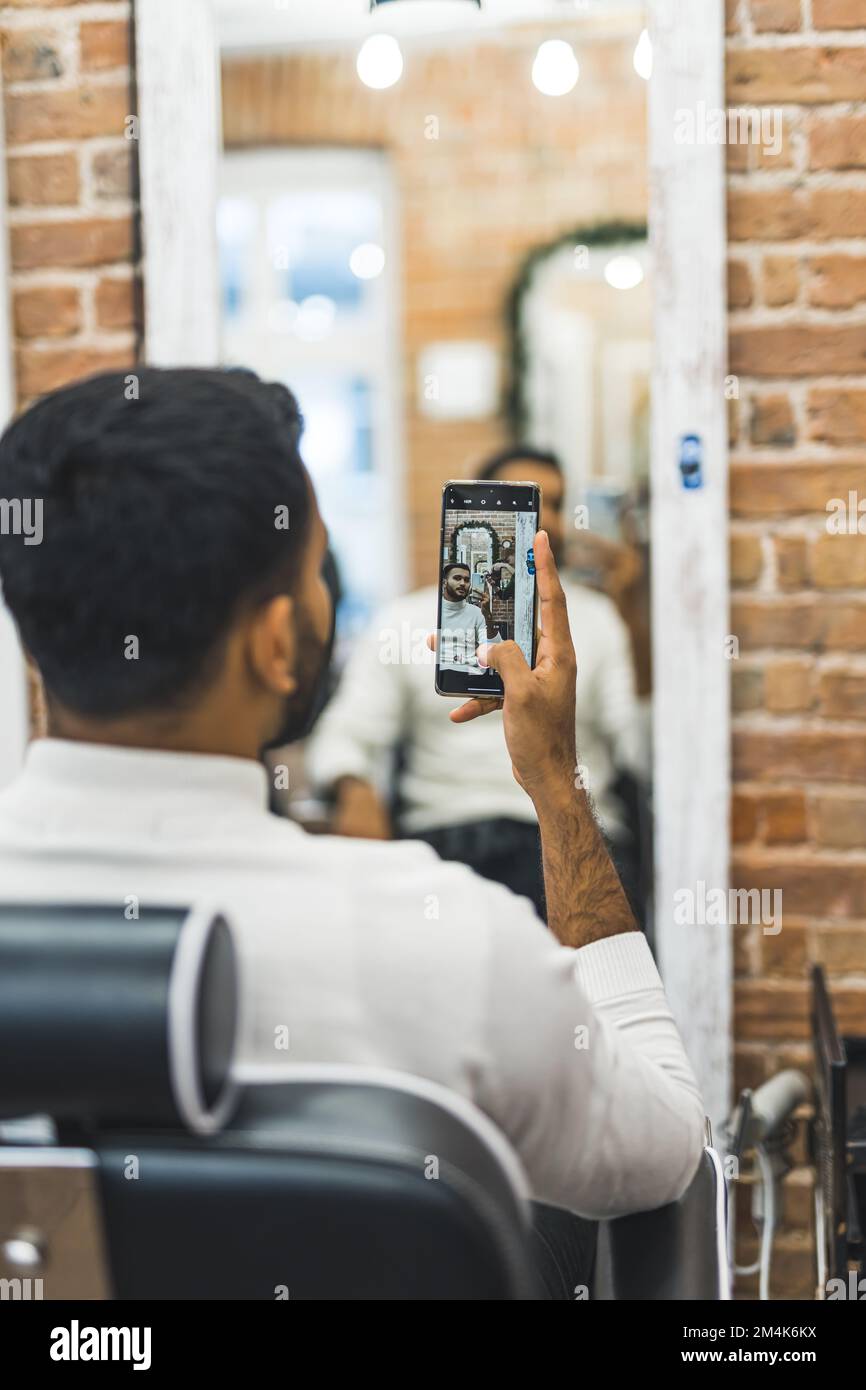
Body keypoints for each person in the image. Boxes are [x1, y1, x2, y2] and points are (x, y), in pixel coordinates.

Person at [0, 370, 702, 1297]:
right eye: (317, 567)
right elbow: (664, 1153)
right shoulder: (453, 943)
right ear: (277, 641)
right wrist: (559, 790)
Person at [308, 446, 647, 921]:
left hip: (568, 828)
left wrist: (638, 614)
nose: (548, 518)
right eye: (530, 502)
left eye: (556, 502)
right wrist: (354, 788)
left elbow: (637, 749)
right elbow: (345, 733)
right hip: (448, 833)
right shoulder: (405, 622)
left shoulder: (597, 619)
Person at [438, 561, 502, 671]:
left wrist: (487, 615)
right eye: (457, 578)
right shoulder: (435, 610)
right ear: (444, 582)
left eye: (467, 580)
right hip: (439, 674)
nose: (463, 583)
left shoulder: (477, 613)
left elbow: (495, 648)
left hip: (470, 676)